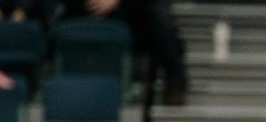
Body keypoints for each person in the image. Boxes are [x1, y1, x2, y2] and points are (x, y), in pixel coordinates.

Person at [56, 0, 189, 105]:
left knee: (158, 13)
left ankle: (175, 84)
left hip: (132, 18)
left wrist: (117, 1)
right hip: (83, 12)